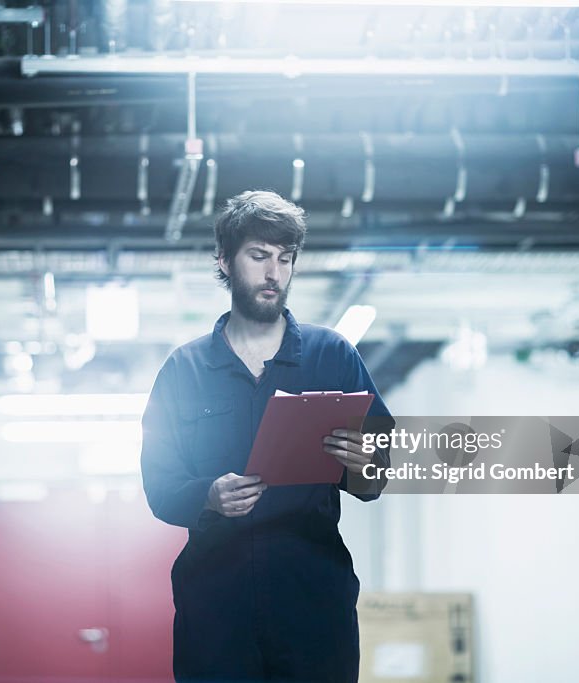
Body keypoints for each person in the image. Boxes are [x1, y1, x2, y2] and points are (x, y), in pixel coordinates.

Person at [140, 190, 394, 683]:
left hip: (313, 602)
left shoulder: (333, 356)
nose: (274, 272)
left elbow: (377, 475)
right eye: (259, 257)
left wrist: (363, 463)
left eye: (285, 258)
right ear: (225, 261)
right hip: (216, 606)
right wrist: (208, 495)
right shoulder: (184, 370)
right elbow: (160, 488)